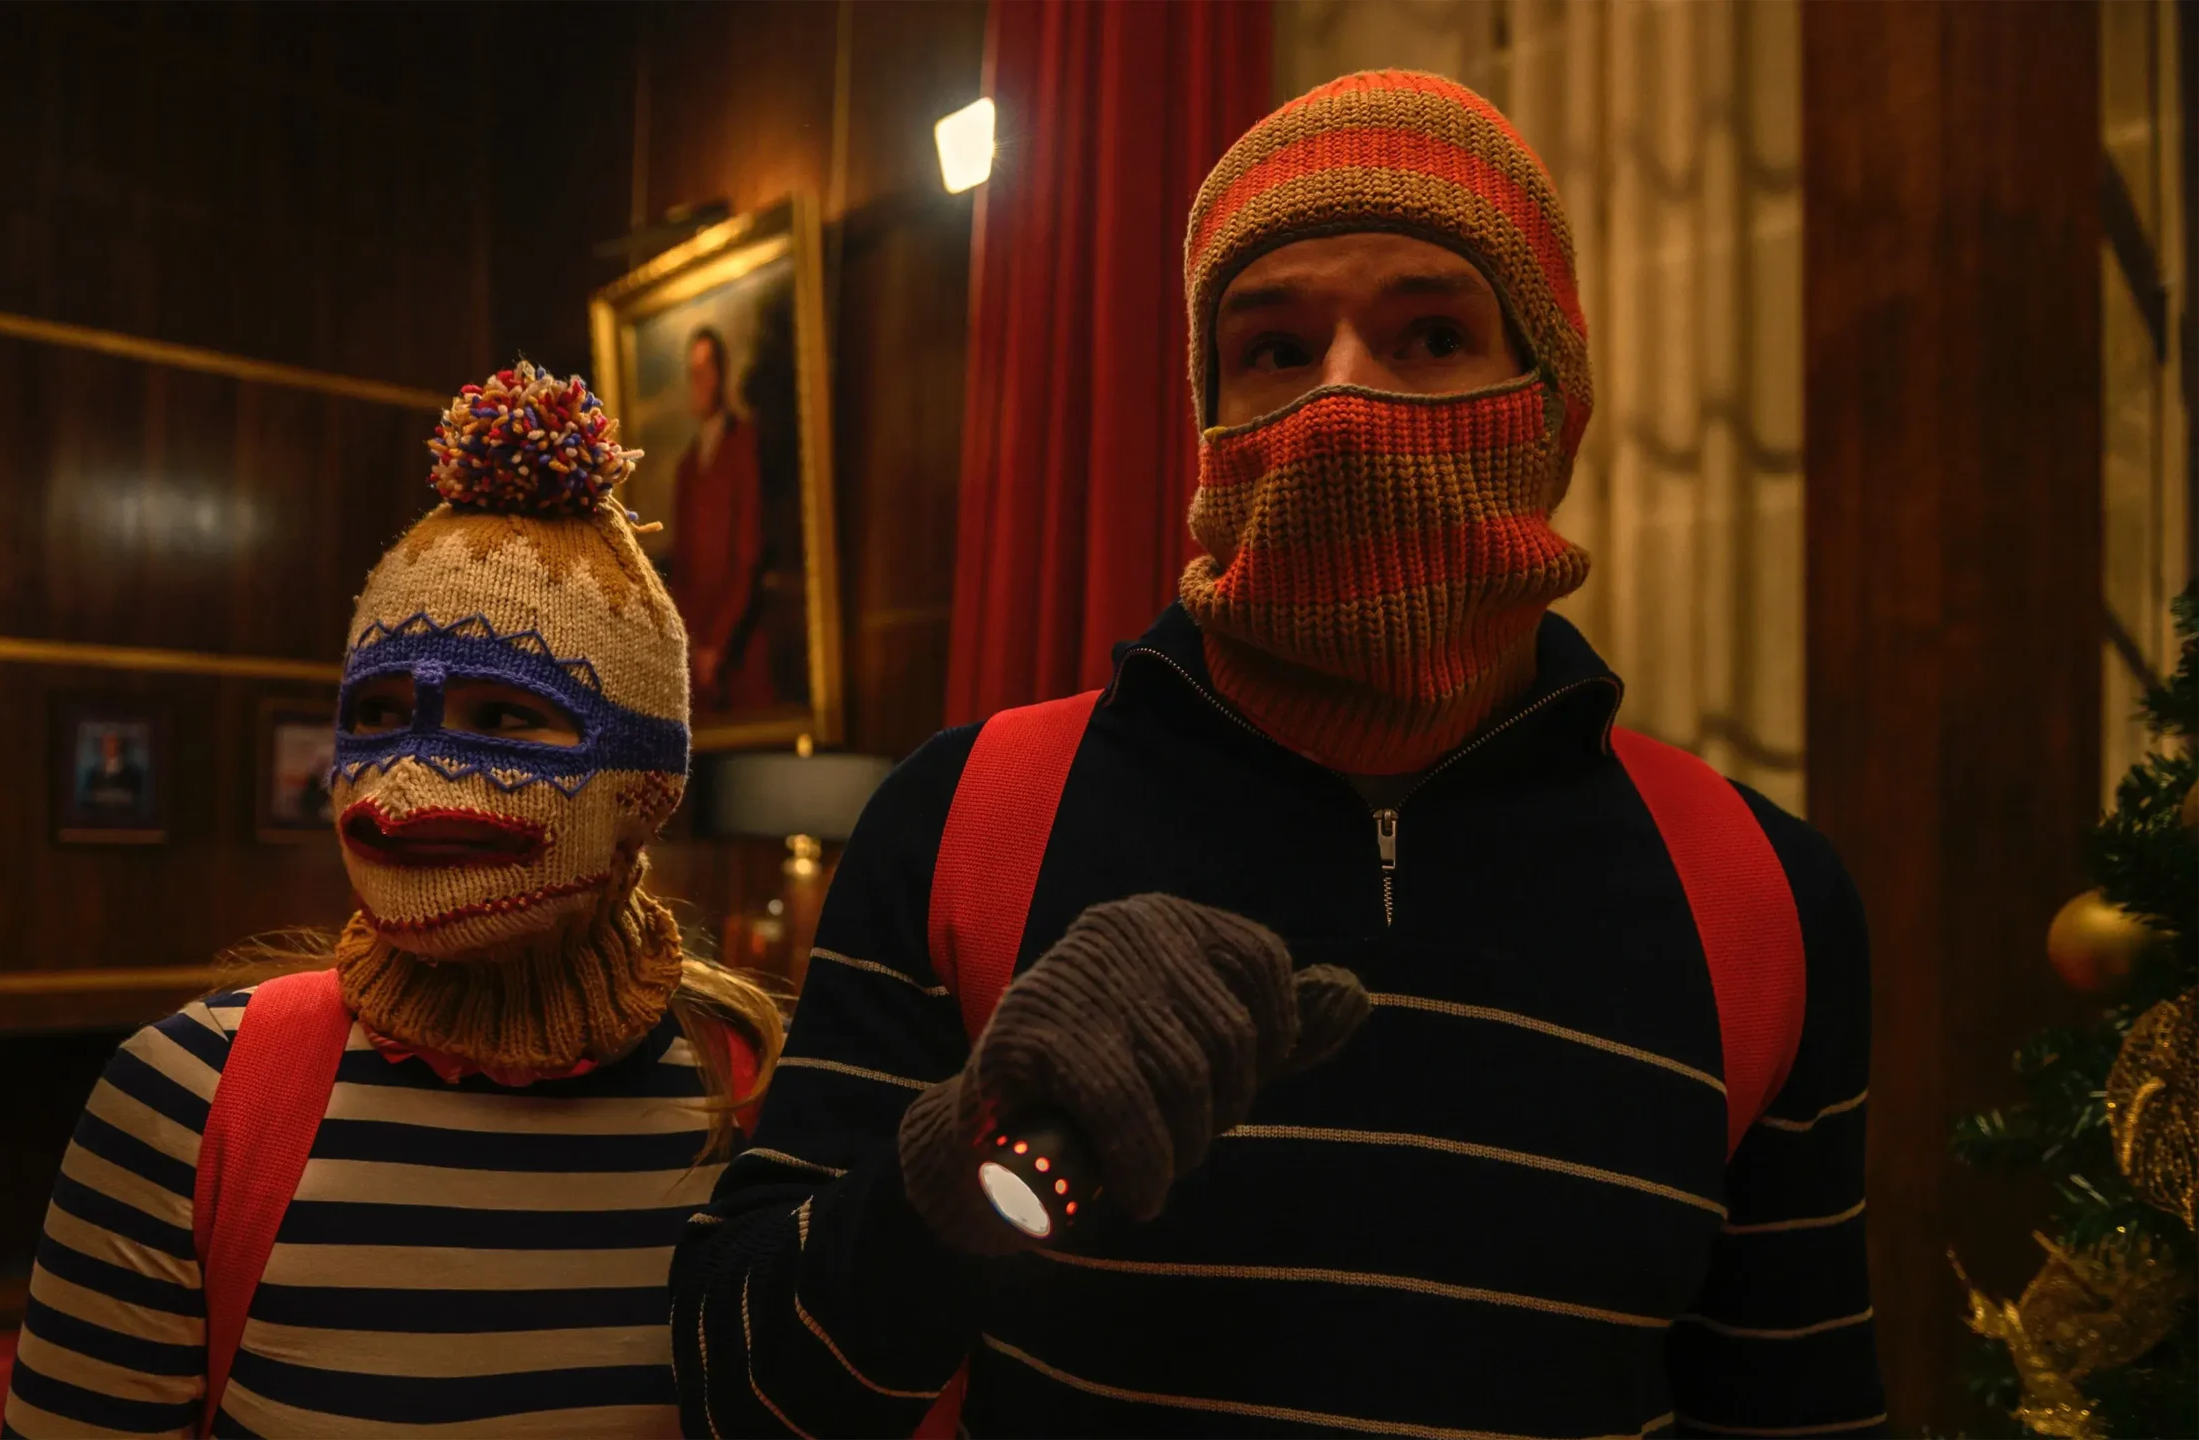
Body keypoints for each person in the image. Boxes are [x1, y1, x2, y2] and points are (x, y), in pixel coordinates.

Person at [671, 70, 1886, 1437]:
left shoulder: (1760, 899)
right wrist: (966, 1161)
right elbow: (739, 1394)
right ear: (1207, 425)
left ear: (1554, 407)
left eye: (1433, 334)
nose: (1341, 403)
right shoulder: (969, 820)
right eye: (1276, 348)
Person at [3, 364, 785, 1438]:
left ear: (649, 781)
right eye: (375, 714)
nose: (406, 782)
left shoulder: (755, 1102)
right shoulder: (188, 1099)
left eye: (503, 718)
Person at [669, 326, 777, 714]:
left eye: (706, 369)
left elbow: (749, 555)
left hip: (739, 647)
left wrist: (718, 644)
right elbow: (682, 565)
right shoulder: (687, 467)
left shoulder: (743, 443)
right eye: (693, 371)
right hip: (699, 660)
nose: (699, 381)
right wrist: (693, 646)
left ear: (721, 374)